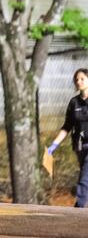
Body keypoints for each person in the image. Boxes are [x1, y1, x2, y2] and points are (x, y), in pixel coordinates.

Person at [47, 68, 88, 208]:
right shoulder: (74, 103)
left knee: (84, 177)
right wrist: (54, 145)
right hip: (80, 147)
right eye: (76, 79)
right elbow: (67, 127)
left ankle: (79, 206)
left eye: (82, 78)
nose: (79, 82)